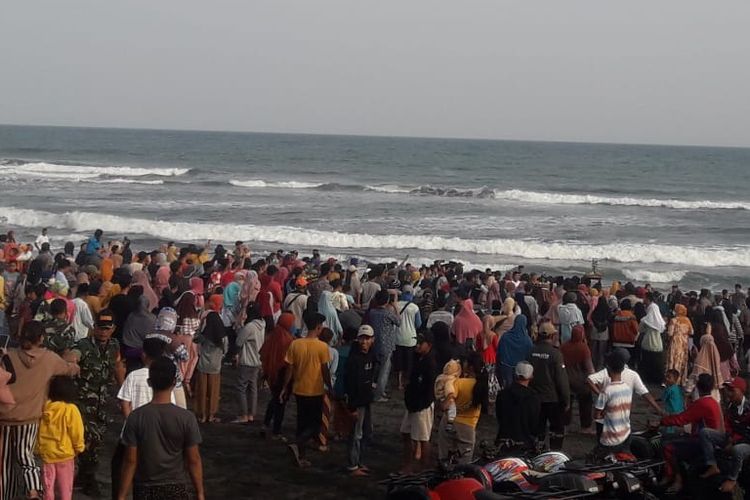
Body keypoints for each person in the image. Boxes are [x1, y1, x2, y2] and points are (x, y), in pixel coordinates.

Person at [0, 321, 79, 500]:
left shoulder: (8, 356)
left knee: (4, 463)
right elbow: (69, 370)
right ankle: (34, 490)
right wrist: (73, 361)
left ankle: (6, 495)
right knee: (26, 456)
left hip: (4, 416)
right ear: (42, 338)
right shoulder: (50, 358)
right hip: (29, 418)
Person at [117, 357, 205, 500]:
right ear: (174, 383)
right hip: (176, 485)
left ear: (149, 382)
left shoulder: (136, 417)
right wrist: (200, 493)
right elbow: (193, 460)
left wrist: (121, 495)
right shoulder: (186, 418)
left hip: (144, 487)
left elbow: (130, 461)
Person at [70, 309, 125, 496]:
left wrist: (122, 389)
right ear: (94, 327)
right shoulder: (84, 345)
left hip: (103, 403)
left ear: (113, 329)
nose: (102, 332)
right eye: (99, 328)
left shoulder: (114, 346)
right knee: (84, 440)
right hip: (83, 403)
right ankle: (87, 478)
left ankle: (84, 476)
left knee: (96, 441)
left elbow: (117, 366)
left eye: (106, 328)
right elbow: (73, 356)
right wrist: (71, 362)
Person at [281, 311, 332, 468]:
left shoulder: (296, 344)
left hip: (299, 389)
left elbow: (289, 368)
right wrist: (329, 386)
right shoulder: (322, 347)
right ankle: (298, 445)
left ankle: (301, 456)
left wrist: (285, 387)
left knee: (301, 422)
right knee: (315, 425)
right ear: (318, 327)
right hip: (315, 390)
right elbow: (324, 370)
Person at [659, 373, 723, 492]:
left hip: (701, 442)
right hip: (709, 440)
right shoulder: (713, 402)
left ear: (697, 387)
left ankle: (676, 478)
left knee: (667, 446)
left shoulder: (702, 403)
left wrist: (662, 421)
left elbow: (681, 419)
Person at [699, 376, 750, 493]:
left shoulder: (748, 408)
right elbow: (728, 426)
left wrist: (734, 442)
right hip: (733, 439)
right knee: (705, 432)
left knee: (737, 450)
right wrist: (729, 439)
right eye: (727, 390)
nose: (728, 393)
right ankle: (712, 465)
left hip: (746, 443)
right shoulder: (731, 407)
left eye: (732, 390)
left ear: (741, 391)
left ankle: (732, 479)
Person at [37, 376, 85, 500]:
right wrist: (79, 447)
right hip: (65, 455)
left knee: (47, 489)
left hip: (46, 455)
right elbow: (76, 432)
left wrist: (37, 449)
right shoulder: (71, 409)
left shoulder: (45, 408)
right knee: (65, 489)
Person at [437, 351, 487, 464]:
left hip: (449, 423)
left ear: (470, 367)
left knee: (444, 459)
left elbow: (446, 403)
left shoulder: (458, 383)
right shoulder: (482, 384)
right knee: (463, 464)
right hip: (468, 427)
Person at [400, 331, 438, 473]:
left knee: (423, 438)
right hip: (413, 403)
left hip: (422, 406)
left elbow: (429, 389)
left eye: (420, 343)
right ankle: (409, 466)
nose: (417, 345)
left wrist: (421, 405)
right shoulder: (418, 358)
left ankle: (423, 470)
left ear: (429, 345)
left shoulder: (430, 363)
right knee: (406, 433)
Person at [529, 322, 570, 450]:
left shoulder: (531, 351)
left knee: (537, 429)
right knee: (556, 430)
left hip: (534, 398)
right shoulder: (555, 354)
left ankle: (536, 451)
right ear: (552, 336)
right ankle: (555, 454)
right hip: (553, 399)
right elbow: (561, 379)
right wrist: (566, 399)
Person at [345, 325, 377, 476]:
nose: (364, 341)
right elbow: (349, 384)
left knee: (366, 433)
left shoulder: (370, 356)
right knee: (356, 434)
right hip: (357, 402)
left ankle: (358, 461)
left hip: (366, 400)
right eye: (362, 338)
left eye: (367, 338)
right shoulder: (354, 359)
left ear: (372, 340)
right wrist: (351, 408)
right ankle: (352, 465)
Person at [260, 312, 295, 440]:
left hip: (271, 373)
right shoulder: (288, 340)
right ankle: (276, 431)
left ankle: (265, 424)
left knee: (274, 400)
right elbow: (288, 362)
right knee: (281, 402)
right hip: (283, 374)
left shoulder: (273, 335)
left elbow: (263, 353)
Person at [495, 361, 541, 452]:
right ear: (531, 376)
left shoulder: (503, 394)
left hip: (504, 440)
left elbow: (499, 416)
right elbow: (534, 421)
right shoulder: (533, 397)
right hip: (525, 442)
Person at [594, 351, 633, 455]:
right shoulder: (627, 388)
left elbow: (597, 415)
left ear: (608, 369)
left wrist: (604, 412)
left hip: (610, 439)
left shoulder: (606, 391)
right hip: (626, 434)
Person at [193, 308, 228, 424]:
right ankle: (211, 415)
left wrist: (201, 323)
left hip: (203, 366)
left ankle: (202, 415)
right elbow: (225, 350)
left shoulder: (205, 335)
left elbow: (195, 339)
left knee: (202, 391)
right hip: (215, 367)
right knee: (213, 392)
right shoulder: (223, 337)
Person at [233, 304, 265, 424]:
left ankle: (243, 414)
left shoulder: (250, 327)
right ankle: (251, 414)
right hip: (257, 360)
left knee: (241, 388)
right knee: (253, 388)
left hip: (247, 361)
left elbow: (238, 342)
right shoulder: (262, 325)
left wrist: (240, 327)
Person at [561, 325, 595, 434]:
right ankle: (585, 427)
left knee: (566, 403)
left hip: (566, 379)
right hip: (581, 381)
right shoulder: (583, 348)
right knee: (585, 403)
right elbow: (589, 368)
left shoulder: (564, 346)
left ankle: (565, 426)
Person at [368, 289, 401, 402]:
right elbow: (398, 322)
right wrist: (396, 307)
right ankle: (379, 395)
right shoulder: (388, 313)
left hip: (374, 344)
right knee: (384, 371)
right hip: (386, 346)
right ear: (387, 300)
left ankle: (375, 390)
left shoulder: (372, 312)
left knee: (375, 370)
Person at [395, 285, 421, 391]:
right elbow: (418, 324)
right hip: (411, 338)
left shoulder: (395, 305)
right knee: (409, 362)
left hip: (397, 337)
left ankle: (399, 383)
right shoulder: (415, 307)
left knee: (399, 362)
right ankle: (407, 381)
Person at [497, 315, 533, 389]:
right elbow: (530, 355)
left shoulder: (506, 337)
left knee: (508, 389)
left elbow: (499, 352)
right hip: (521, 370)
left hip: (506, 367)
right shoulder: (527, 340)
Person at [640, 293, 666, 384]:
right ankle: (657, 379)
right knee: (657, 362)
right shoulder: (660, 322)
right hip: (657, 343)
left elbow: (641, 329)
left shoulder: (645, 320)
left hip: (648, 341)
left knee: (647, 360)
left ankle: (648, 379)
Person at [666, 304, 693, 384]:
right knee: (682, 360)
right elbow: (691, 332)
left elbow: (670, 333)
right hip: (684, 342)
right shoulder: (687, 320)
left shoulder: (673, 320)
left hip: (675, 342)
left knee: (673, 360)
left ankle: (672, 379)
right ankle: (681, 379)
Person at [434, 359, 461, 433]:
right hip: (445, 397)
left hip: (439, 397)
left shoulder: (441, 377)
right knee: (452, 410)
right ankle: (450, 424)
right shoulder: (449, 380)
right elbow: (449, 391)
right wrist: (451, 395)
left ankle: (438, 423)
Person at [662, 369, 685, 434]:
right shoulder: (679, 388)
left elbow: (663, 399)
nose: (666, 379)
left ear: (675, 379)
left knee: (669, 426)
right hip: (680, 411)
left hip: (671, 411)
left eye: (669, 377)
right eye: (666, 376)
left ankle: (668, 438)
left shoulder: (669, 389)